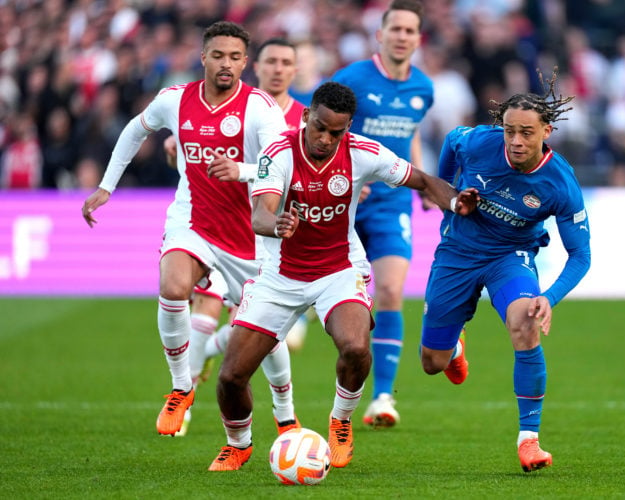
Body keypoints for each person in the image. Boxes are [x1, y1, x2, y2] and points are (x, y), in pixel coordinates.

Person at [207, 81, 478, 471]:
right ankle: (239, 443)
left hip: (339, 268)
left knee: (355, 347)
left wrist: (453, 200)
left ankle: (341, 421)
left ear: (348, 128)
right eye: (320, 127)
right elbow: (260, 214)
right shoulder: (278, 152)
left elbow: (420, 179)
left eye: (337, 131)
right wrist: (277, 222)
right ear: (305, 117)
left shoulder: (362, 152)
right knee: (232, 376)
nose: (326, 138)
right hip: (280, 275)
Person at [82, 21, 296, 438]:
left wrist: (243, 170)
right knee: (173, 286)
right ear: (203, 58)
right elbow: (133, 130)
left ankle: (285, 412)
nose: (226, 64)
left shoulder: (259, 108)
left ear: (245, 62)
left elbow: (281, 162)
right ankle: (181, 387)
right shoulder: (174, 100)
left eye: (235, 57)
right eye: (218, 55)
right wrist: (107, 187)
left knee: (266, 335)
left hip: (249, 235)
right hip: (192, 221)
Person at [419, 69, 592, 473]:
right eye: (510, 131)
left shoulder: (560, 184)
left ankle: (529, 440)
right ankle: (455, 346)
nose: (516, 141)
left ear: (547, 131)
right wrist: (448, 196)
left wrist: (547, 299)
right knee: (432, 363)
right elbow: (450, 141)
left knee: (524, 320)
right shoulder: (479, 142)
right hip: (458, 253)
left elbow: (580, 256)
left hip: (509, 257)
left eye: (527, 133)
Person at [161, 39, 310, 435]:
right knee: (203, 311)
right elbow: (192, 139)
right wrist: (182, 143)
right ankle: (184, 399)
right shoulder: (235, 105)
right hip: (211, 227)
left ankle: (273, 406)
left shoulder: (303, 120)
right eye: (271, 62)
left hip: (263, 237)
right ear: (255, 65)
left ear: (295, 70)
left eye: (287, 63)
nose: (278, 69)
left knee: (260, 334)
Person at [330, 0, 434, 429]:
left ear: (418, 38)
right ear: (380, 33)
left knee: (390, 290)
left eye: (410, 31)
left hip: (392, 203)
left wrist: (422, 182)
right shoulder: (352, 79)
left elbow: (409, 137)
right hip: (342, 201)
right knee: (325, 290)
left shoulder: (423, 88)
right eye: (396, 29)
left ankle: (383, 397)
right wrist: (344, 172)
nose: (402, 36)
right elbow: (321, 127)